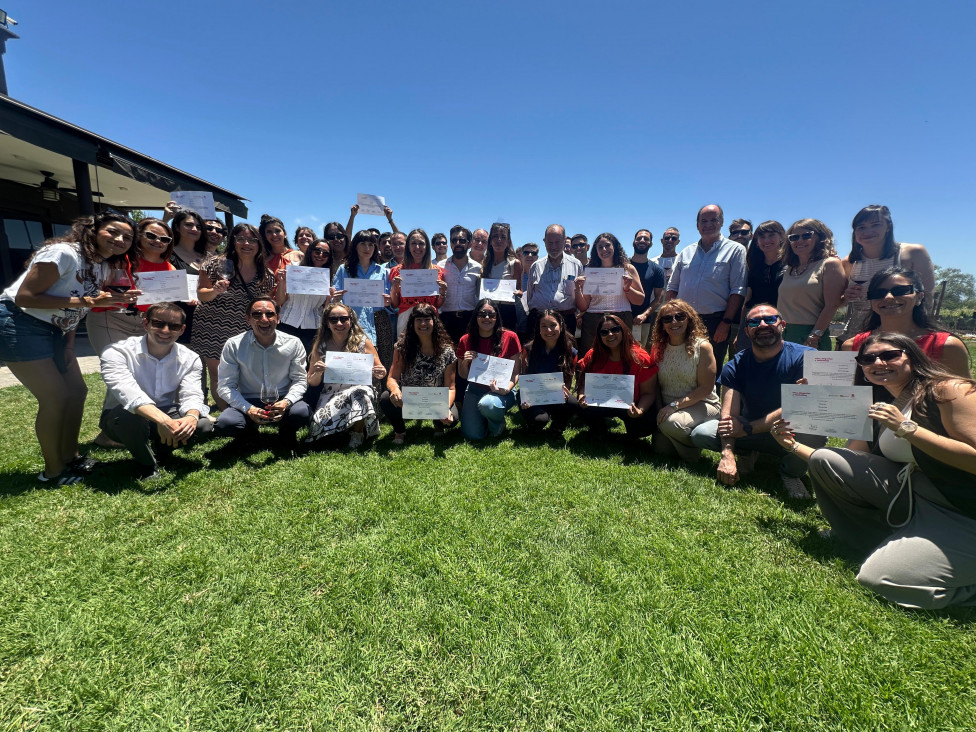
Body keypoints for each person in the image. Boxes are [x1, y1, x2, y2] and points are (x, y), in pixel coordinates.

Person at [772, 334, 976, 609]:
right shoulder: (878, 403)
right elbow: (840, 461)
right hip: (914, 496)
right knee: (826, 459)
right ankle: (869, 538)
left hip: (961, 509)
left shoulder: (947, 390)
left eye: (890, 355)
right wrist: (793, 444)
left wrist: (907, 428)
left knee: (879, 579)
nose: (878, 362)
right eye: (868, 359)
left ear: (912, 356)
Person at [0, 212, 137, 484]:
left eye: (127, 237)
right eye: (113, 232)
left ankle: (71, 457)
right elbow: (26, 297)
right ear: (93, 230)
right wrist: (89, 301)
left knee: (77, 391)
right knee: (55, 398)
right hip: (19, 322)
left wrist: (69, 343)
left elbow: (82, 305)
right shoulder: (63, 253)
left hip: (58, 329)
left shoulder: (101, 265)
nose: (120, 239)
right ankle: (53, 471)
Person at [690, 304, 827, 498]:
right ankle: (747, 453)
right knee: (701, 433)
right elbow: (728, 416)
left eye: (770, 319)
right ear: (747, 331)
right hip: (748, 430)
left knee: (815, 432)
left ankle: (790, 473)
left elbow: (799, 409)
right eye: (754, 322)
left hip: (786, 430)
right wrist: (727, 453)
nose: (762, 324)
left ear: (782, 325)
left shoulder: (807, 359)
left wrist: (747, 429)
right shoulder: (735, 365)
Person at [88, 218, 176, 448]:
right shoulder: (122, 260)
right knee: (120, 371)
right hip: (110, 319)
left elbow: (169, 299)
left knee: (137, 372)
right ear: (139, 236)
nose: (158, 241)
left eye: (164, 239)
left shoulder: (169, 269)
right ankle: (108, 433)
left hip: (143, 324)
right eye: (151, 236)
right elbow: (91, 286)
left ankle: (127, 426)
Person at [99, 302, 212, 478]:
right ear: (146, 324)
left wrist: (191, 417)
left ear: (181, 330)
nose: (165, 331)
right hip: (122, 416)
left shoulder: (190, 358)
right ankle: (147, 465)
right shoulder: (117, 352)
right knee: (130, 417)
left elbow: (192, 394)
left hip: (165, 411)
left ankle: (161, 452)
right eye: (158, 323)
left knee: (202, 425)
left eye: (173, 326)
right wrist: (164, 421)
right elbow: (130, 396)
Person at [194, 223, 277, 409]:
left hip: (243, 329)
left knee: (240, 373)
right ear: (233, 241)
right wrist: (214, 290)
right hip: (213, 326)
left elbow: (265, 302)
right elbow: (201, 294)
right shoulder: (214, 264)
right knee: (217, 375)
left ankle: (240, 408)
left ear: (259, 244)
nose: (246, 243)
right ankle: (227, 414)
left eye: (252, 240)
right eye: (240, 238)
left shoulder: (267, 274)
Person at [840, 266, 971, 377]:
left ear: (919, 297)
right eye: (878, 293)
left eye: (900, 291)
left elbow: (964, 397)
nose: (888, 297)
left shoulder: (946, 346)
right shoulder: (852, 346)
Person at [214, 297, 310, 445]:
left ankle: (286, 432)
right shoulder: (234, 345)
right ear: (248, 319)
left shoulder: (293, 343)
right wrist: (248, 408)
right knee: (226, 423)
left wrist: (287, 401)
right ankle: (249, 432)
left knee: (302, 413)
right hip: (248, 399)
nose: (264, 319)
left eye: (270, 314)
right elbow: (225, 386)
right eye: (257, 315)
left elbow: (300, 380)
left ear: (278, 318)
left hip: (282, 398)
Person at [666, 204, 747, 367]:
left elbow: (737, 290)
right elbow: (672, 288)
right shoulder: (686, 252)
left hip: (716, 321)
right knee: (683, 366)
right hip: (684, 320)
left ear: (722, 222)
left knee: (710, 368)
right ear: (697, 225)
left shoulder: (735, 250)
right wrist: (671, 318)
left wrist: (726, 323)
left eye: (713, 220)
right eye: (704, 221)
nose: (708, 224)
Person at [841, 204, 936, 341]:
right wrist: (846, 297)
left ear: (888, 227)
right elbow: (840, 302)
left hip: (903, 329)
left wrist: (917, 332)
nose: (868, 231)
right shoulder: (849, 261)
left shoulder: (913, 253)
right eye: (861, 227)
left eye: (875, 225)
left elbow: (927, 297)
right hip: (860, 330)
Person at [306, 302, 387, 448]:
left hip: (360, 389)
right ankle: (345, 428)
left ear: (351, 321)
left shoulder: (362, 342)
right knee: (317, 426)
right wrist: (317, 373)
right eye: (334, 319)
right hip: (331, 393)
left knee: (360, 394)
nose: (339, 323)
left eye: (344, 319)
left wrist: (380, 372)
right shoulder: (321, 345)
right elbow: (312, 382)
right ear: (327, 323)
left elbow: (380, 370)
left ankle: (357, 432)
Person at [648, 300, 721, 462]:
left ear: (689, 319)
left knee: (672, 424)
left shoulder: (703, 347)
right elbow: (656, 385)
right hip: (669, 407)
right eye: (667, 319)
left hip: (703, 404)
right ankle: (683, 441)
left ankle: (692, 457)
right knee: (660, 450)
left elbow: (705, 389)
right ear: (662, 324)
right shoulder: (657, 348)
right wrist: (661, 409)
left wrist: (674, 406)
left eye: (680, 316)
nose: (674, 322)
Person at [380, 303, 459, 444]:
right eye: (418, 320)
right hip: (410, 400)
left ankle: (438, 424)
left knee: (454, 418)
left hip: (435, 400)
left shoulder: (447, 351)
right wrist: (395, 389)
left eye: (427, 319)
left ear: (435, 322)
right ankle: (400, 431)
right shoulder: (402, 347)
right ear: (412, 323)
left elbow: (451, 388)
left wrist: (445, 408)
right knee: (386, 398)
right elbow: (392, 377)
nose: (423, 324)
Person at [576, 313, 657, 438]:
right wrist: (582, 396)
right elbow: (583, 384)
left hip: (632, 404)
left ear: (623, 331)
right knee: (583, 410)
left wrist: (640, 410)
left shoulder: (640, 358)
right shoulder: (593, 356)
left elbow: (649, 393)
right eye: (604, 332)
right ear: (599, 336)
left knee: (645, 425)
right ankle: (599, 429)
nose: (610, 335)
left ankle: (632, 429)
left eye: (615, 329)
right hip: (601, 402)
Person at [457, 298, 521, 440]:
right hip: (475, 389)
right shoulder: (465, 340)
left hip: (502, 390)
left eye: (491, 315)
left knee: (489, 405)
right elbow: (462, 375)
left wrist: (506, 389)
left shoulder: (510, 337)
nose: (487, 318)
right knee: (473, 435)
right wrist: (464, 363)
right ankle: (485, 417)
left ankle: (497, 424)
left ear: (496, 317)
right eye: (482, 314)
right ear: (476, 316)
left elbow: (516, 372)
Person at [777, 219, 846, 350]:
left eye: (806, 235)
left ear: (820, 238)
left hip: (811, 334)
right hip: (783, 333)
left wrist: (815, 336)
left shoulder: (830, 264)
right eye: (794, 237)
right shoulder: (790, 268)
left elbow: (832, 304)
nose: (799, 240)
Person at [333, 229, 394, 370]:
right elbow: (335, 298)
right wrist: (336, 298)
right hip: (351, 321)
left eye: (371, 245)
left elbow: (392, 302)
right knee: (354, 363)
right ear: (355, 246)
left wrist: (388, 302)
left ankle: (380, 392)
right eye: (363, 244)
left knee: (381, 363)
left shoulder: (383, 271)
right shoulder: (344, 269)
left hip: (380, 322)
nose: (367, 248)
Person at [575, 232, 645, 353]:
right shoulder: (590, 272)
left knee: (622, 355)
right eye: (600, 247)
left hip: (621, 317)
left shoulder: (628, 269)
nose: (604, 249)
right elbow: (583, 306)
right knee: (591, 358)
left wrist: (628, 289)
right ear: (595, 250)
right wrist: (577, 289)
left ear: (615, 247)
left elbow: (640, 300)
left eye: (607, 245)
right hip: (593, 319)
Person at [518, 309, 578, 433]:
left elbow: (568, 381)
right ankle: (534, 421)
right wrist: (526, 398)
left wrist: (564, 392)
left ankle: (558, 425)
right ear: (538, 329)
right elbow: (525, 378)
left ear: (560, 326)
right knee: (540, 421)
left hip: (554, 394)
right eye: (543, 326)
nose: (548, 330)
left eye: (553, 325)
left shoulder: (570, 352)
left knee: (573, 403)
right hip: (533, 395)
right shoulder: (529, 349)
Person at [734, 220, 787, 353]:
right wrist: (741, 330)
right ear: (756, 240)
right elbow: (747, 301)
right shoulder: (753, 265)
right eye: (762, 236)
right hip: (754, 322)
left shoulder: (792, 264)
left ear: (781, 237)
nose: (766, 240)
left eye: (771, 235)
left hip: (779, 322)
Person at [276, 237, 335, 352]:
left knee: (307, 364)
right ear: (310, 251)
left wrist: (329, 299)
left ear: (329, 257)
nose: (320, 255)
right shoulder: (294, 268)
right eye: (317, 251)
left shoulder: (329, 277)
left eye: (325, 253)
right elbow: (279, 302)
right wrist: (282, 282)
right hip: (287, 323)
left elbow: (325, 309)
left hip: (312, 328)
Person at [388, 228, 447, 336]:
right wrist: (394, 290)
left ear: (427, 247)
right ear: (408, 247)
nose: (417, 247)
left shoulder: (437, 272)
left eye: (421, 243)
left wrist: (442, 293)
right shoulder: (396, 271)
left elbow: (437, 304)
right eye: (413, 243)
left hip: (429, 318)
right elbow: (395, 304)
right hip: (406, 319)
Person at [526, 224, 583, 334]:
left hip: (566, 320)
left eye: (557, 242)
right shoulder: (536, 266)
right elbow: (530, 296)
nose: (553, 247)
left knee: (565, 351)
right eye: (550, 243)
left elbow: (580, 294)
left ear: (565, 240)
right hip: (538, 320)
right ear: (544, 241)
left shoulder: (576, 265)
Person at [168, 208, 209, 350]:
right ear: (177, 227)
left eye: (198, 227)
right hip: (179, 314)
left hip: (205, 316)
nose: (194, 229)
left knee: (200, 365)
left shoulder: (207, 256)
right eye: (188, 225)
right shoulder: (167, 253)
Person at [439, 225, 481, 344]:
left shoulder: (478, 268)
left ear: (469, 244)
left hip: (469, 320)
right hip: (446, 319)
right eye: (454, 240)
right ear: (451, 244)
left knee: (467, 357)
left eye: (462, 240)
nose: (458, 243)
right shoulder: (440, 267)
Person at [481, 223, 523, 330]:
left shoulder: (515, 263)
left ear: (508, 242)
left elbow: (520, 290)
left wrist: (518, 293)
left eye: (503, 237)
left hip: (507, 311)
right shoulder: (485, 263)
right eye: (495, 236)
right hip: (488, 311)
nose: (499, 240)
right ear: (490, 241)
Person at [629, 229, 666, 345]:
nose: (642, 240)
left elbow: (659, 297)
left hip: (643, 320)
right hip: (621, 317)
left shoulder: (657, 269)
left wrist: (645, 314)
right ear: (634, 242)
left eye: (646, 239)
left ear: (650, 244)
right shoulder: (622, 265)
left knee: (640, 353)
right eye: (639, 238)